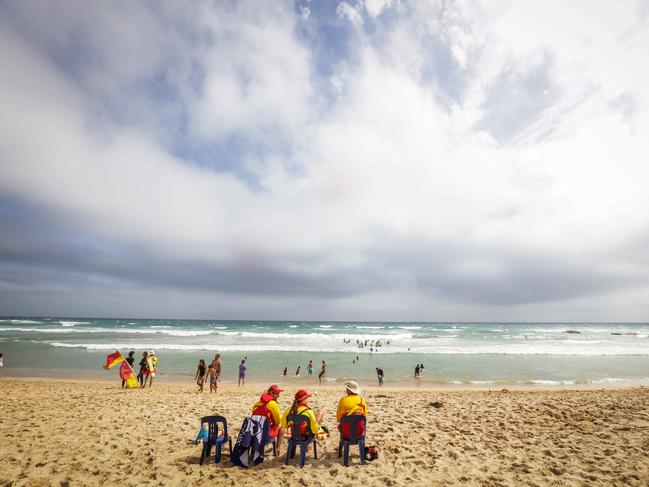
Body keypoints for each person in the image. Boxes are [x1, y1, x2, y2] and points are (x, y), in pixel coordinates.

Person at [252, 384, 284, 454]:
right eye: (277, 393)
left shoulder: (257, 403)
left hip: (255, 431)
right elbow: (277, 422)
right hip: (265, 432)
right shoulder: (273, 404)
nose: (279, 395)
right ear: (272, 393)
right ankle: (277, 450)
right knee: (281, 429)